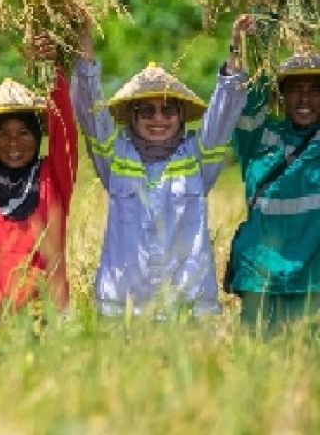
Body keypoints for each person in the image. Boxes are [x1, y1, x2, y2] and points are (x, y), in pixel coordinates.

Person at [71, 17, 252, 316]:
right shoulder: (115, 158)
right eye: (147, 111)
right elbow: (90, 109)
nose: (158, 119)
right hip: (124, 310)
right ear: (132, 116)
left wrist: (238, 47)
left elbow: (226, 105)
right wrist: (84, 42)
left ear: (182, 117)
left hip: (188, 310)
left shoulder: (198, 157)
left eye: (168, 110)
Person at [0, 34, 76, 315]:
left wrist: (51, 71)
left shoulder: (53, 177)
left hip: (42, 314)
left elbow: (65, 130)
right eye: (4, 134)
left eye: (23, 133)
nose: (13, 143)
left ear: (38, 136)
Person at [227, 45, 320, 326]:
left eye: (315, 89)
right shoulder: (261, 139)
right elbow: (248, 88)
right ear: (281, 95)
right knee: (258, 367)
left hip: (312, 284)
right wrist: (247, 40)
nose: (304, 98)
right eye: (295, 89)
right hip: (260, 280)